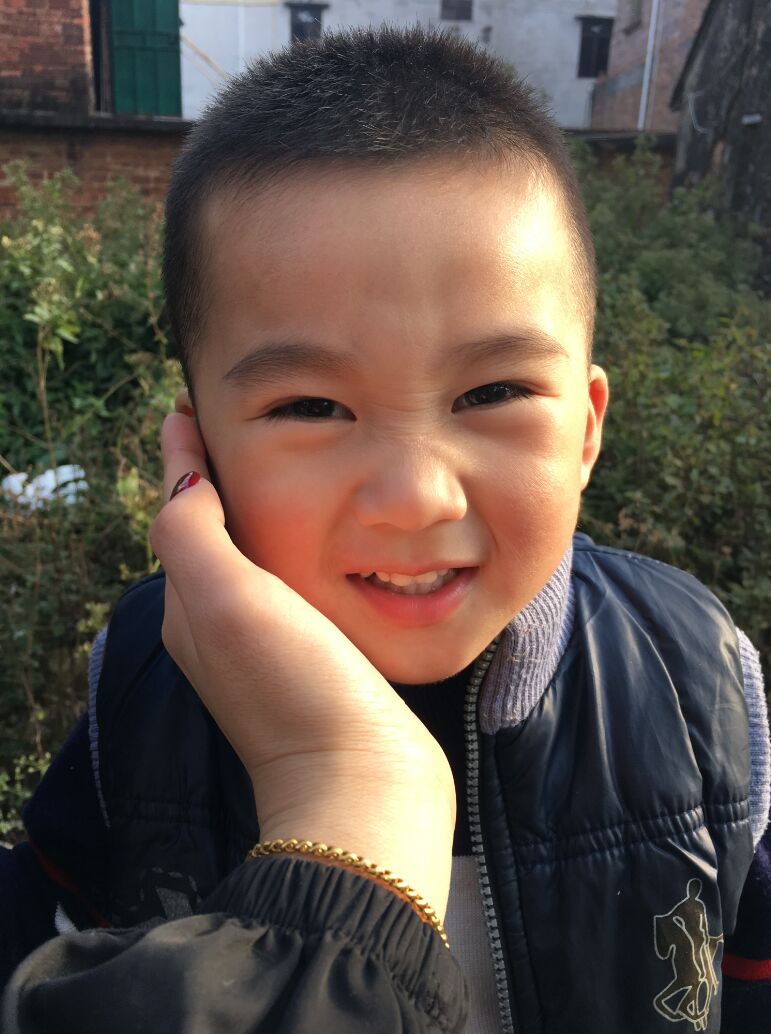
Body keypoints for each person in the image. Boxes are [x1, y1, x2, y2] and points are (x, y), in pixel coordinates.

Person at [2, 25, 769, 1034]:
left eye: (493, 392)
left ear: (585, 430)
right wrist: (341, 788)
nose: (414, 497)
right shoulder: (141, 686)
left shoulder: (694, 674)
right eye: (311, 407)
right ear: (199, 448)